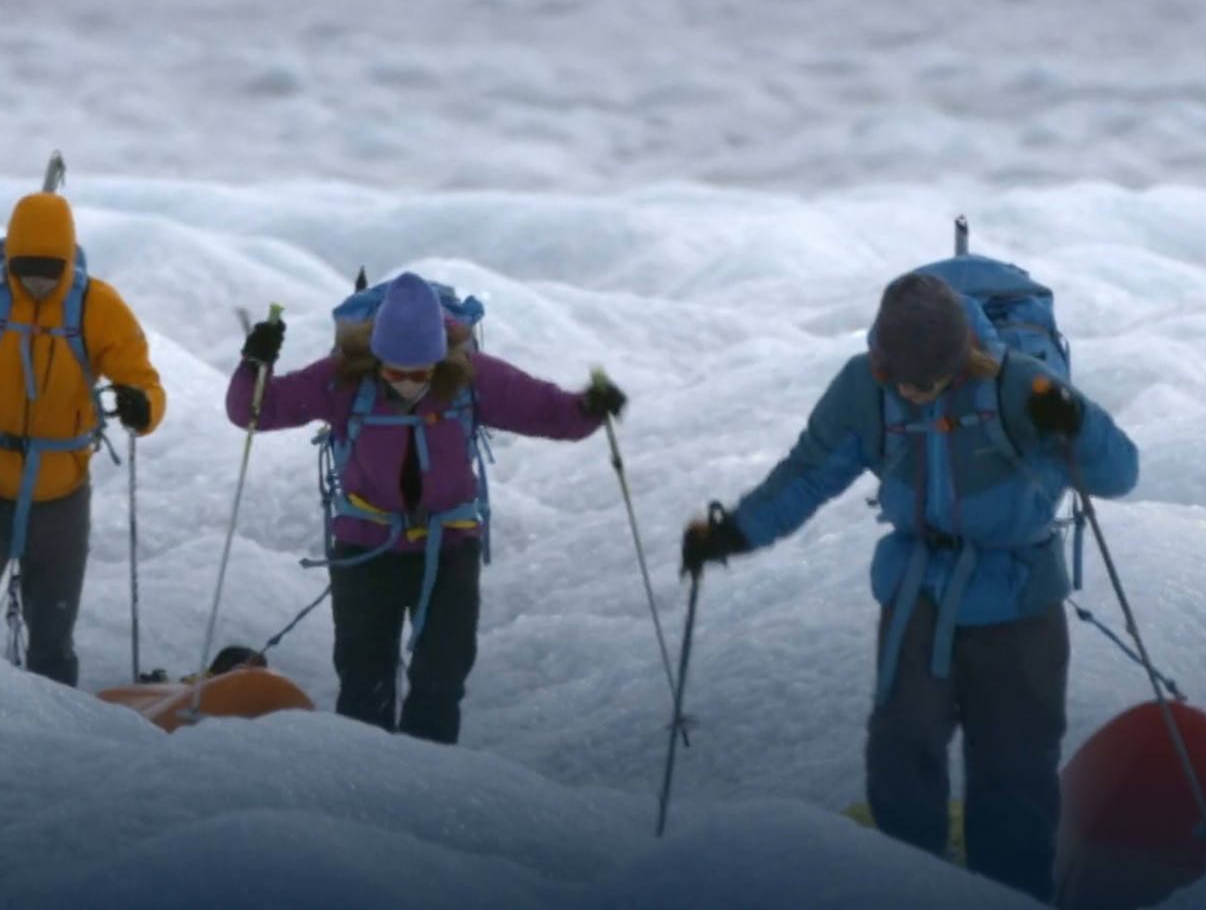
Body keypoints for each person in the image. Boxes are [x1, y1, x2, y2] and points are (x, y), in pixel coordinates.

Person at [681, 271, 1139, 902]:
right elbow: (809, 474)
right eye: (909, 382)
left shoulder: (1019, 385)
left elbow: (1120, 472)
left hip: (1019, 595)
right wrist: (733, 534)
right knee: (901, 748)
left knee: (1015, 767)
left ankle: (1014, 895)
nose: (922, 396)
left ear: (965, 358)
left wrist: (1075, 421)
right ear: (881, 359)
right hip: (918, 590)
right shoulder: (864, 387)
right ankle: (904, 887)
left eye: (936, 382)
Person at [227, 272, 624, 745]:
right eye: (395, 371)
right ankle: (364, 787)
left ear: (441, 358)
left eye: (422, 372)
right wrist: (254, 363)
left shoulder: (473, 376)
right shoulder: (343, 378)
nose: (409, 382)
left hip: (449, 547)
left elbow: (548, 412)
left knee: (441, 681)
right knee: (363, 685)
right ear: (376, 358)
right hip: (365, 550)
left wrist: (592, 407)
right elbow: (254, 411)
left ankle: (425, 787)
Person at [0, 189, 165, 687]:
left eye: (51, 270)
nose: (40, 282)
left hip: (62, 490)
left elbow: (144, 380)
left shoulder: (99, 306)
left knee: (53, 630)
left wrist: (143, 407)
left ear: (68, 261)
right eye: (28, 270)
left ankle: (52, 731)